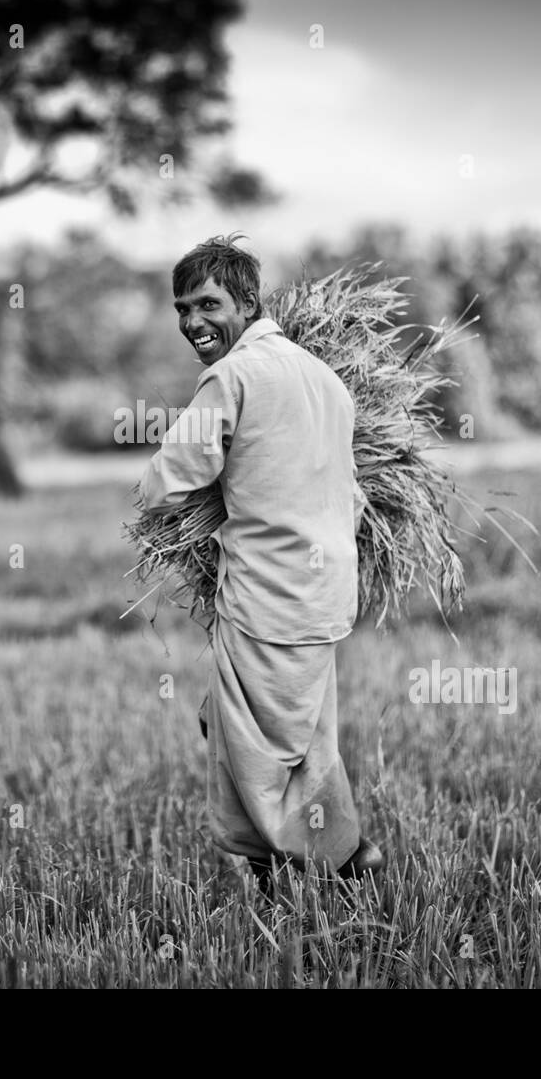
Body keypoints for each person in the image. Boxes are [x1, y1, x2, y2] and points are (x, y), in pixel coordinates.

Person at [138, 234, 384, 892]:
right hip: (327, 595)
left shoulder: (233, 377)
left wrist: (158, 518)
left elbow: (166, 481)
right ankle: (336, 855)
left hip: (267, 597)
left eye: (207, 304)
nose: (193, 322)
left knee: (254, 756)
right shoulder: (327, 380)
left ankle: (327, 865)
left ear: (247, 301)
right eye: (182, 309)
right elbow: (352, 493)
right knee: (293, 733)